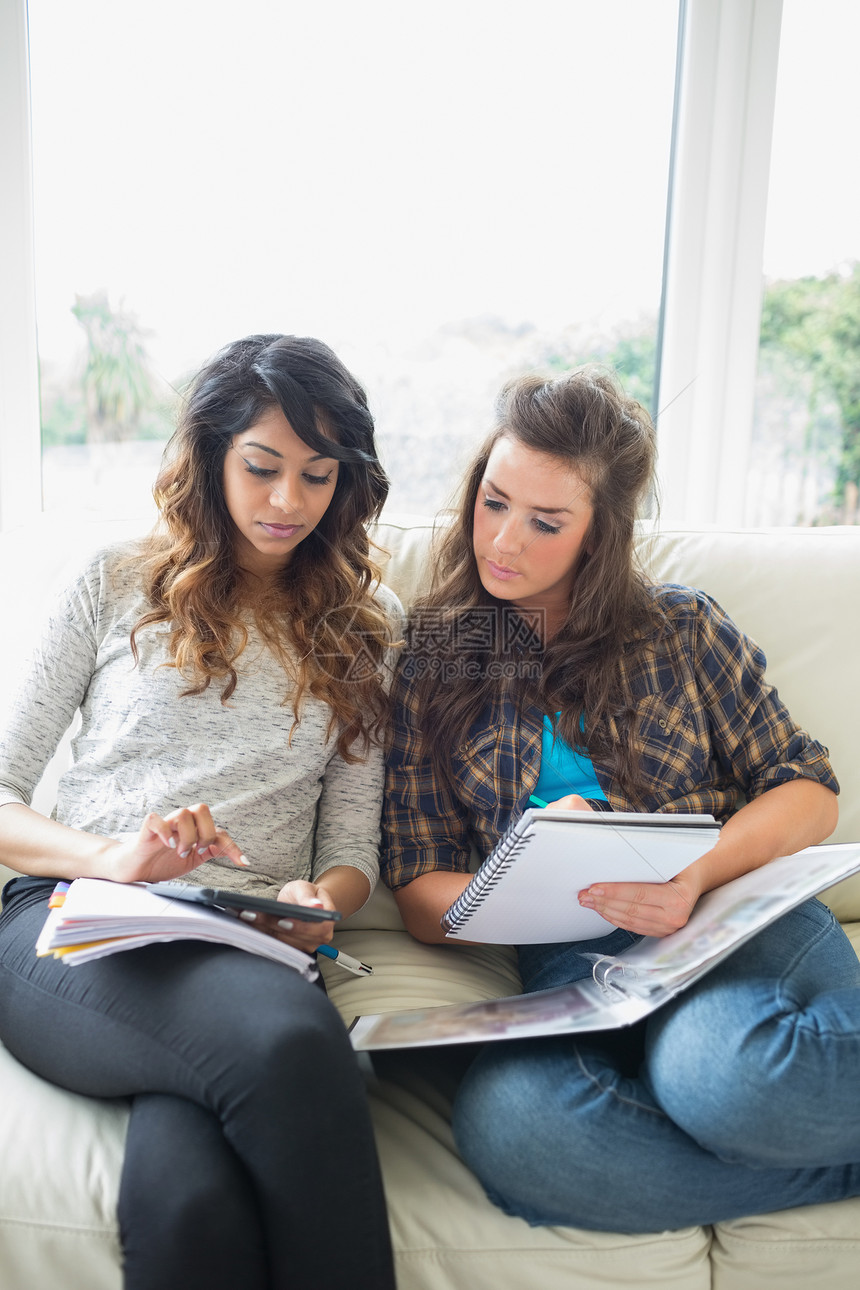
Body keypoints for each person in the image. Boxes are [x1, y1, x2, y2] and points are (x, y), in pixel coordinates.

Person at [382, 366, 860, 1232]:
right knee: (515, 1128)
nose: (504, 541)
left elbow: (806, 789)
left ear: (600, 535)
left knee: (727, 1079)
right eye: (494, 502)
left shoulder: (681, 627)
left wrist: (694, 874)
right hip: (571, 960)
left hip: (722, 916)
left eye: (545, 522)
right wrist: (528, 871)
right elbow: (419, 892)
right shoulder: (434, 659)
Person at [0, 334, 400, 1290]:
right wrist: (109, 856)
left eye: (316, 476)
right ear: (211, 455)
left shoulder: (361, 630)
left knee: (191, 1211)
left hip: (247, 943)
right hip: (74, 926)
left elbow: (352, 847)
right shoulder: (114, 581)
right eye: (261, 468)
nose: (287, 503)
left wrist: (319, 897)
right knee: (295, 1046)